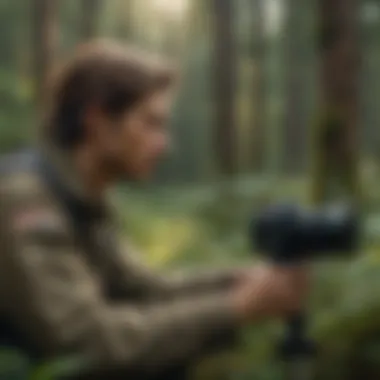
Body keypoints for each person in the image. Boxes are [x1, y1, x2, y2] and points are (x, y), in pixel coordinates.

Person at [0, 41, 309, 380]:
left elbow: (143, 289)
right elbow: (83, 341)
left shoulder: (81, 196)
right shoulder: (25, 199)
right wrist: (234, 309)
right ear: (98, 121)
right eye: (150, 124)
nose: (165, 145)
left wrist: (238, 281)